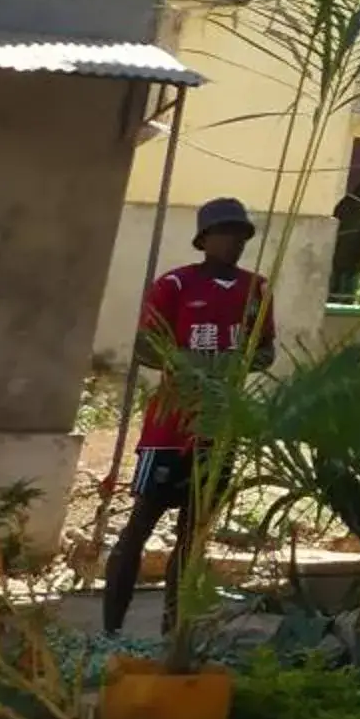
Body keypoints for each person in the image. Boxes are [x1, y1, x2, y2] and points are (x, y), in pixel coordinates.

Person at [100, 198, 273, 638]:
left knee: (193, 533)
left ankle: (172, 631)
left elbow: (267, 349)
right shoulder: (175, 285)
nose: (234, 241)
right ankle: (111, 629)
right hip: (170, 426)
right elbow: (144, 346)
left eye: (240, 234)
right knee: (141, 522)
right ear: (205, 239)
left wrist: (238, 362)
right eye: (225, 232)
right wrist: (190, 362)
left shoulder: (258, 290)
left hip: (220, 426)